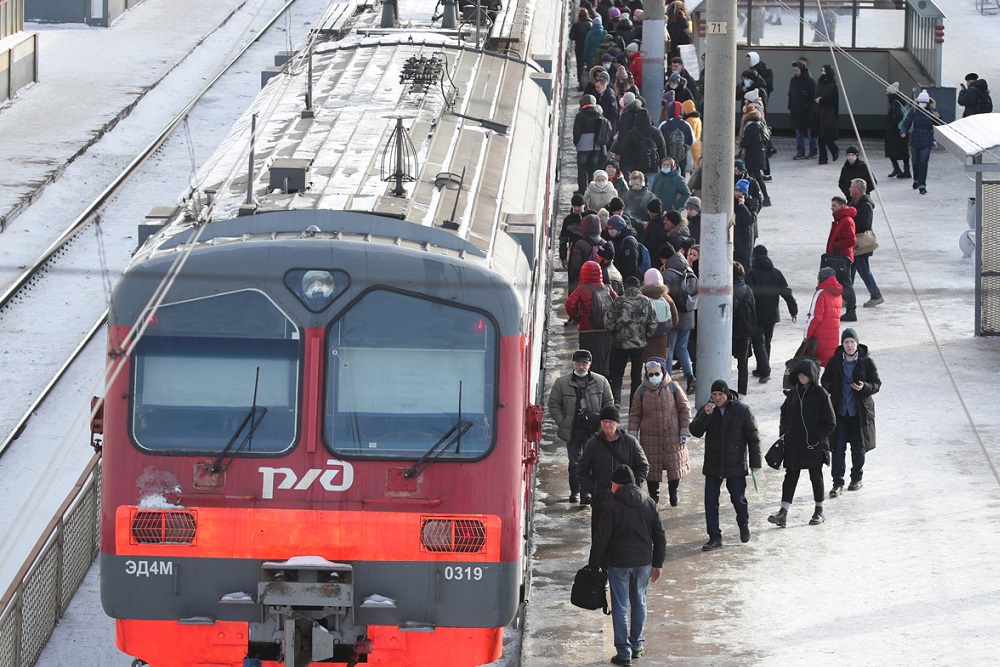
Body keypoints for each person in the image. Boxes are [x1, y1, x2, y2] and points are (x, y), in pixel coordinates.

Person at [588, 463, 665, 667]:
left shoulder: (612, 506)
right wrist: (657, 563)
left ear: (619, 484)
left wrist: (593, 565)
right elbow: (660, 535)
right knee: (639, 603)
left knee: (621, 607)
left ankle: (624, 653)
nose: (611, 487)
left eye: (612, 483)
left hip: (619, 564)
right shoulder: (648, 502)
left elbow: (601, 538)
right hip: (643, 563)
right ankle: (637, 646)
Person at [688, 379, 761, 550]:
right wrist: (704, 415)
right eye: (714, 395)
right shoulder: (708, 410)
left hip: (735, 463)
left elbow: (753, 437)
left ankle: (743, 524)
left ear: (727, 394)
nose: (717, 398)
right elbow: (695, 432)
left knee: (738, 499)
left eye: (720, 394)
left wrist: (755, 462)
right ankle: (714, 537)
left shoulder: (742, 410)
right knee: (710, 502)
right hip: (713, 464)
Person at [768, 360, 836, 527]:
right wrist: (784, 432)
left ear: (811, 376)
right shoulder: (793, 393)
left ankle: (819, 510)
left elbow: (830, 421)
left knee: (816, 476)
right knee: (790, 476)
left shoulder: (820, 394)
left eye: (804, 374)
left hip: (813, 445)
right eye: (799, 374)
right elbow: (784, 413)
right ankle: (783, 512)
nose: (801, 377)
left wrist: (817, 437)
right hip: (794, 443)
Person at [547, 350, 614, 506]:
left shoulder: (601, 381)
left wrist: (603, 423)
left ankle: (586, 494)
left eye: (584, 363)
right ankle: (575, 491)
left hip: (594, 430)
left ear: (590, 364)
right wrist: (562, 421)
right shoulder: (561, 383)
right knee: (575, 463)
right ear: (573, 363)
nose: (581, 366)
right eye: (578, 363)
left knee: (592, 463)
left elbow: (608, 403)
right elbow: (553, 404)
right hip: (573, 430)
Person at [821, 328, 881, 497]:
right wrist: (832, 388)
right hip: (840, 413)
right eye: (846, 342)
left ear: (857, 343)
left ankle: (856, 478)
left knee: (858, 448)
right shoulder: (835, 361)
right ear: (842, 344)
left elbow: (876, 383)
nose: (849, 345)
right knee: (838, 448)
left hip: (859, 413)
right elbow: (825, 381)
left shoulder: (867, 362)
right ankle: (837, 483)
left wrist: (864, 387)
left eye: (852, 342)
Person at [627, 357, 691, 506]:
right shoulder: (641, 391)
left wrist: (684, 430)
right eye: (651, 374)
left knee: (674, 466)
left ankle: (673, 492)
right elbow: (635, 413)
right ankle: (653, 496)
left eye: (657, 373)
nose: (654, 376)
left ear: (663, 372)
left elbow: (684, 409)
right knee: (651, 469)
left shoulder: (673, 387)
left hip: (672, 435)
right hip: (650, 437)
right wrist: (632, 435)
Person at [578, 405, 650, 536]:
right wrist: (594, 489)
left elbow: (643, 466)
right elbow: (582, 471)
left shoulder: (630, 443)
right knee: (600, 539)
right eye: (604, 421)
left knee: (622, 540)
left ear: (617, 423)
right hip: (601, 503)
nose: (606, 425)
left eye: (610, 421)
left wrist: (633, 487)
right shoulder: (593, 444)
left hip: (625, 502)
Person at [745, 245, 797, 383]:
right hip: (772, 315)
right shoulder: (776, 273)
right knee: (766, 342)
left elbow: (747, 296)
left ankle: (765, 370)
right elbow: (786, 292)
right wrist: (793, 310)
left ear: (754, 256)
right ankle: (762, 368)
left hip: (757, 315)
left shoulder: (752, 274)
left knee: (758, 342)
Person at [605, 275, 657, 405]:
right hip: (639, 345)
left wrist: (614, 334)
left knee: (617, 375)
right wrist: (645, 336)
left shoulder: (618, 301)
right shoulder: (646, 302)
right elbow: (653, 323)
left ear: (626, 287)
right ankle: (634, 405)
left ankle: (616, 401)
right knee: (636, 376)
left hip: (620, 344)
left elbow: (608, 322)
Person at [566, 260, 618, 377]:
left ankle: (590, 381)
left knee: (588, 360)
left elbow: (570, 305)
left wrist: (578, 318)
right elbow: (618, 304)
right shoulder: (608, 288)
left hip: (587, 331)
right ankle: (605, 382)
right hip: (606, 331)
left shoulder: (581, 289)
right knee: (605, 360)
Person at [662, 243, 697, 394]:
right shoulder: (687, 268)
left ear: (665, 259)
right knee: (682, 347)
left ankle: (667, 380)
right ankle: (690, 376)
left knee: (668, 349)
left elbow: (663, 297)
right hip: (689, 316)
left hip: (674, 318)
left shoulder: (668, 275)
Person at [848, 178, 884, 308]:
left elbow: (863, 224)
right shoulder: (855, 201)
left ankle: (876, 295)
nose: (850, 189)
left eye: (851, 187)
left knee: (863, 270)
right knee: (850, 270)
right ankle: (847, 297)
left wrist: (848, 225)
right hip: (855, 243)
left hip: (861, 243)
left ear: (857, 189)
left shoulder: (865, 205)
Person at [900, 89, 941, 195]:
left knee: (923, 162)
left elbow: (939, 124)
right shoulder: (914, 111)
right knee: (915, 161)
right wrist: (903, 131)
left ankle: (922, 185)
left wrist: (938, 117)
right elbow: (907, 122)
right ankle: (916, 179)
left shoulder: (932, 111)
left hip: (927, 138)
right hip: (915, 138)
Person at [805, 267, 844, 367]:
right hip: (833, 337)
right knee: (829, 364)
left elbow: (814, 317)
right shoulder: (838, 294)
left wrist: (807, 335)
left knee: (813, 364)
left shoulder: (821, 293)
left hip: (819, 338)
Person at [827, 196, 857, 321]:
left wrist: (836, 246)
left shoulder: (846, 220)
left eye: (834, 206)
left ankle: (851, 310)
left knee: (845, 284)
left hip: (843, 257)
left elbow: (851, 240)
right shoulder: (840, 219)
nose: (831, 208)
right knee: (842, 283)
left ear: (842, 206)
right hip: (839, 256)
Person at [640, 268, 678, 361]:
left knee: (649, 362)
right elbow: (675, 319)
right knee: (662, 361)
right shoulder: (667, 298)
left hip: (647, 338)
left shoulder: (642, 299)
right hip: (663, 337)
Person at [573, 95, 607, 195]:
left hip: (583, 145)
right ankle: (592, 188)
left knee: (581, 169)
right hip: (596, 145)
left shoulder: (580, 115)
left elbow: (577, 131)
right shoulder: (598, 114)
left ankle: (582, 189)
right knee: (593, 168)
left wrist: (577, 143)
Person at [731, 261, 756, 397]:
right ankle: (742, 392)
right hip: (745, 331)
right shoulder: (748, 289)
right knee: (743, 365)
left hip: (731, 332)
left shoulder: (729, 290)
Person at [789, 60, 818, 159]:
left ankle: (813, 150)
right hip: (796, 111)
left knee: (810, 132)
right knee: (799, 133)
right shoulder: (793, 81)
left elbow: (813, 96)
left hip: (807, 112)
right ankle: (800, 151)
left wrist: (807, 107)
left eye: (796, 70)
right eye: (794, 70)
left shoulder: (810, 81)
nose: (795, 73)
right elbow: (790, 94)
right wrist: (790, 106)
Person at [884, 82, 911, 179]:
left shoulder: (895, 103)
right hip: (902, 131)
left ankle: (897, 168)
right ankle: (906, 170)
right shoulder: (901, 101)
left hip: (895, 132)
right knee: (904, 151)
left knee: (890, 150)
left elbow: (898, 115)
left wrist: (891, 125)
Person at [814, 64, 840, 165]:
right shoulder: (820, 83)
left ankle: (831, 152)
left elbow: (832, 100)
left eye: (824, 71)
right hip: (820, 112)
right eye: (822, 71)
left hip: (828, 113)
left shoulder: (832, 85)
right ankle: (824, 157)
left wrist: (822, 100)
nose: (822, 73)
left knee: (825, 136)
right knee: (821, 136)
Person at [558, 193, 586, 269]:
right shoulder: (568, 220)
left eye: (579, 206)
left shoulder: (591, 216)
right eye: (574, 206)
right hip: (574, 253)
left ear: (584, 205)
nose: (576, 209)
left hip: (588, 253)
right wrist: (563, 257)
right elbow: (563, 240)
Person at [733, 180, 755, 272]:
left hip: (743, 239)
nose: (738, 193)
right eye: (736, 191)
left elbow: (749, 220)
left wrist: (742, 205)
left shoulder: (751, 203)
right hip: (733, 236)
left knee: (743, 265)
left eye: (741, 192)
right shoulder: (730, 203)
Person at [570, 8, 595, 88]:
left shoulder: (576, 25)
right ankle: (589, 82)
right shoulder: (590, 24)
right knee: (589, 65)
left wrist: (578, 37)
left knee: (580, 65)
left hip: (579, 48)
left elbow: (572, 36)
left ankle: (581, 84)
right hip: (589, 48)